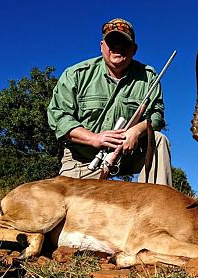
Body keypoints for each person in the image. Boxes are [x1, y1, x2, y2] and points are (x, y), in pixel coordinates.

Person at [47, 18, 172, 185]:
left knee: (158, 140)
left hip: (129, 153)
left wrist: (136, 131)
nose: (117, 47)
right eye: (112, 42)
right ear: (101, 46)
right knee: (66, 202)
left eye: (124, 43)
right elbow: (58, 116)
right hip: (84, 159)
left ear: (134, 49)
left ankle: (157, 206)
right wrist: (94, 138)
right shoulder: (75, 74)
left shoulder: (148, 76)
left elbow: (156, 115)